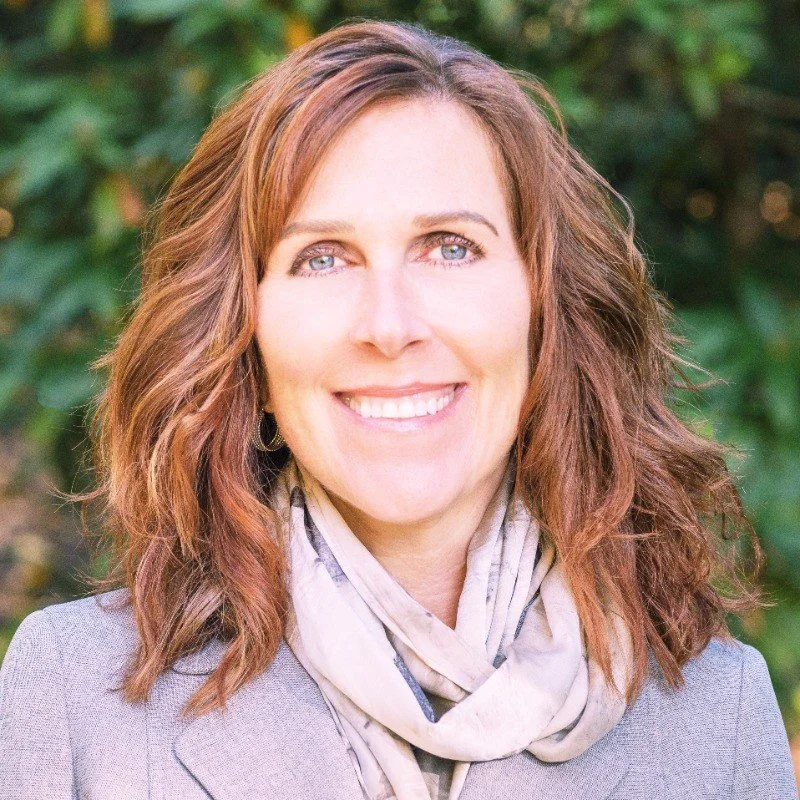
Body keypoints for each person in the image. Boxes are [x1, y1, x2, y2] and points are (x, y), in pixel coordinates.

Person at [0, 17, 796, 800]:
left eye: (450, 246)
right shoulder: (73, 702)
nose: (389, 326)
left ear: (544, 309)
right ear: (246, 334)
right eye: (323, 257)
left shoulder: (715, 727)